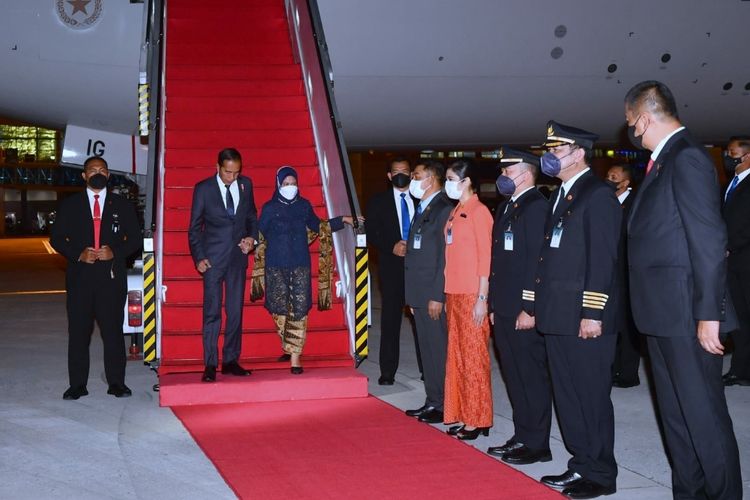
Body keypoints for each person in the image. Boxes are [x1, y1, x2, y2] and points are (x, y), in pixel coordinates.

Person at [624, 81, 741, 499]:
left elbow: (709, 241)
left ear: (643, 118)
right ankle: (688, 492)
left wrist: (709, 315)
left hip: (687, 314)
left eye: (630, 124)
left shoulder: (687, 157)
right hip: (659, 313)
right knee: (675, 417)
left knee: (703, 417)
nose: (630, 133)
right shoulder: (663, 160)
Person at [535, 121, 621, 498]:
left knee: (590, 395)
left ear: (579, 153)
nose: (550, 157)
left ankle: (601, 473)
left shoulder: (597, 195)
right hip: (557, 313)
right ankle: (581, 462)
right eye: (549, 150)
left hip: (583, 316)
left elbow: (603, 261)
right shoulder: (561, 194)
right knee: (567, 394)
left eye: (557, 150)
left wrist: (592, 313)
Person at [50, 156, 141, 400]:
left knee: (112, 333)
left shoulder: (122, 205)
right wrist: (78, 254)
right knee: (79, 333)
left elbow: (135, 239)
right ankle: (77, 385)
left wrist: (116, 252)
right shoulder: (70, 205)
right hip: (80, 279)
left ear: (109, 175)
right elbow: (56, 239)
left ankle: (117, 383)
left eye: (102, 170)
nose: (97, 173)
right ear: (84, 175)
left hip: (111, 279)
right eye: (92, 170)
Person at [255, 166, 357, 374]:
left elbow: (318, 226)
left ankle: (295, 357)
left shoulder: (303, 206)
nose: (290, 187)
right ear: (278, 184)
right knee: (278, 309)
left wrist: (342, 220)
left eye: (293, 183)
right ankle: (289, 342)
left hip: (300, 265)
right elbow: (258, 233)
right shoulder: (269, 208)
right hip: (275, 266)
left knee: (299, 310)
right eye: (286, 184)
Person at [486, 148, 552, 465]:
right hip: (506, 307)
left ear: (525, 174)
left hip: (524, 309)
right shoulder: (507, 207)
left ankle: (538, 443)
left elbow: (536, 263)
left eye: (508, 172)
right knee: (513, 374)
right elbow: (500, 263)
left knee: (531, 376)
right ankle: (523, 434)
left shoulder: (536, 206)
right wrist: (496, 305)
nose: (502, 178)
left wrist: (530, 306)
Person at [188, 148, 258, 383]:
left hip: (238, 258)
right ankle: (210, 363)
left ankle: (230, 360)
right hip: (213, 260)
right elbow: (195, 228)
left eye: (236, 173)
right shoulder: (203, 189)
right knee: (212, 313)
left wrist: (251, 238)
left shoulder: (246, 185)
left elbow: (251, 217)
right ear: (217, 167)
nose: (232, 177)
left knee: (236, 311)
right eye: (228, 172)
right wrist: (199, 257)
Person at [442, 159, 494, 441]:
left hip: (472, 293)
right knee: (458, 357)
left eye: (451, 178)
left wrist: (482, 297)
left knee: (474, 358)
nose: (448, 183)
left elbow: (485, 257)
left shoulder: (479, 212)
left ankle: (479, 418)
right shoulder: (456, 211)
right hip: (454, 292)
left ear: (466, 181)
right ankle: (463, 412)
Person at [403, 160, 453, 423]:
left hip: (433, 295)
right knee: (427, 351)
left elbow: (445, 257)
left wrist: (437, 295)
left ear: (431, 180)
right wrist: (412, 296)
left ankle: (444, 403)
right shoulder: (423, 208)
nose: (412, 179)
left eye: (416, 175)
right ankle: (433, 400)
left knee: (438, 350)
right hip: (419, 294)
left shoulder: (443, 209)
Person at [366, 157, 420, 385]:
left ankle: (428, 369)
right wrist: (391, 246)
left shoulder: (422, 200)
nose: (401, 175)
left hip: (419, 268)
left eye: (405, 171)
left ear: (412, 174)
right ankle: (387, 371)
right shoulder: (378, 202)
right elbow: (371, 232)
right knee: (390, 321)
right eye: (396, 172)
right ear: (389, 176)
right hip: (391, 268)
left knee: (422, 321)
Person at [605, 164, 641, 388]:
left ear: (625, 183)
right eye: (608, 175)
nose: (608, 179)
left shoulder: (632, 204)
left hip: (627, 275)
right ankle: (613, 368)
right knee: (612, 323)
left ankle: (628, 373)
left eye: (613, 177)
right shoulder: (607, 202)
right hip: (610, 273)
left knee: (627, 327)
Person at [722, 136, 750, 387]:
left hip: (745, 259)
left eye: (732, 153)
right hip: (733, 262)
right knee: (738, 318)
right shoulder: (732, 183)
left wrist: (731, 246)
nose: (728, 158)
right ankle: (740, 370)